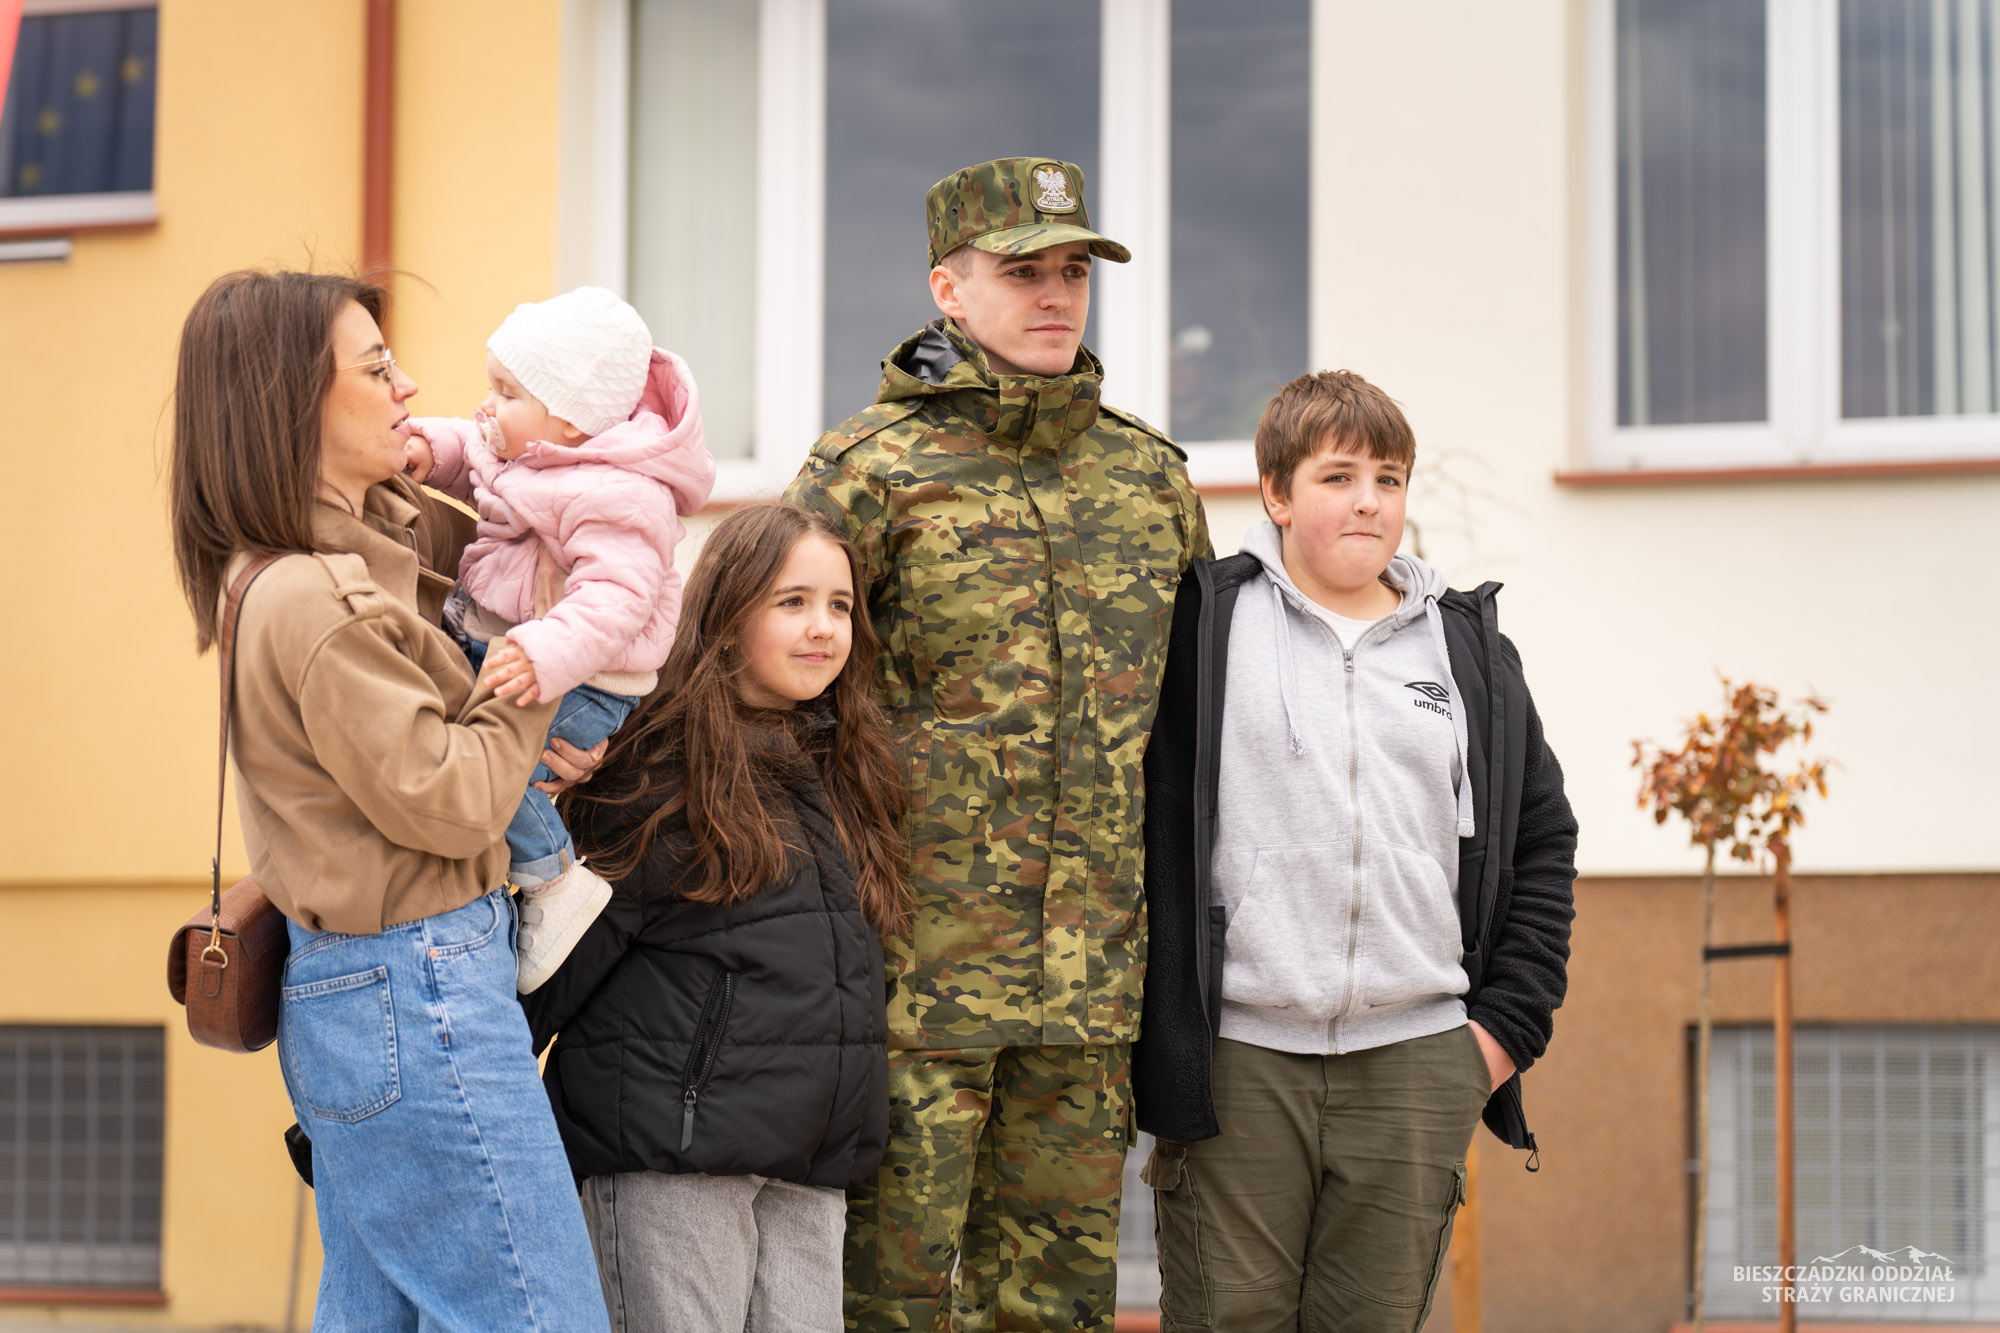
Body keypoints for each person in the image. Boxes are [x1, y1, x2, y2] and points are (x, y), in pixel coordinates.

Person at [785, 157, 1211, 1331]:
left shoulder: (1149, 480)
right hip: (908, 983)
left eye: (1072, 268)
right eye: (1022, 270)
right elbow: (778, 701)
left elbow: (1188, 738)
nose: (1055, 294)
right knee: (884, 1297)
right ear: (947, 289)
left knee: (1056, 1305)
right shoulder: (863, 474)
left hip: (1089, 993)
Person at [166, 269, 610, 1330]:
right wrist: (533, 681)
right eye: (374, 368)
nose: (410, 385)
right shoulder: (317, 595)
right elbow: (455, 804)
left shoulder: (338, 559)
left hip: (375, 993)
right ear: (291, 404)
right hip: (418, 986)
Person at [1131, 370, 1579, 1332]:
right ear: (1276, 493)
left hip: (1418, 1061)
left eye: (1389, 475)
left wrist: (1498, 1038)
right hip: (1240, 1062)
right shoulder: (1203, 626)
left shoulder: (1469, 654)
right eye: (1338, 475)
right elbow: (1142, 823)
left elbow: (1543, 838)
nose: (1369, 499)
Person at [518, 502, 906, 1332]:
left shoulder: (841, 769)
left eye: (839, 605)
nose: (823, 628)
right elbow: (558, 960)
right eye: (792, 601)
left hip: (808, 1167)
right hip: (674, 1164)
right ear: (727, 618)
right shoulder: (661, 769)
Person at [402, 285, 716, 992]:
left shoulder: (621, 494)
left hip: (582, 676)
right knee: (475, 748)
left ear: (570, 421)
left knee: (489, 761)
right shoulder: (533, 448)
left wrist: (546, 651)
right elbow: (471, 448)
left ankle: (553, 883)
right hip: (519, 651)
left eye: (506, 391)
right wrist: (426, 445)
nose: (488, 405)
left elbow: (616, 600)